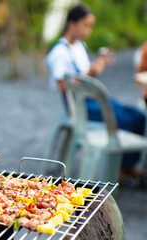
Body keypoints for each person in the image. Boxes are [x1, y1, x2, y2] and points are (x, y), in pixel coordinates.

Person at [46, 4, 146, 183]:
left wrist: (98, 66)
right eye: (85, 25)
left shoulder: (79, 46)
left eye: (91, 26)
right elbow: (63, 85)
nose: (88, 30)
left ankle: (126, 165)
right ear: (71, 23)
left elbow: (84, 74)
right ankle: (121, 168)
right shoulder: (59, 53)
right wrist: (90, 73)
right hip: (81, 105)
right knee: (126, 120)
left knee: (137, 115)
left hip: (91, 98)